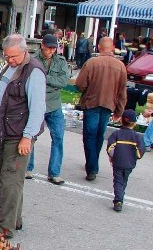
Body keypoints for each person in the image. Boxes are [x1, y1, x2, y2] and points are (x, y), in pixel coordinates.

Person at [0, 35, 46, 239]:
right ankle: (12, 218)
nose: (9, 60)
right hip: (9, 132)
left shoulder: (34, 71)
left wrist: (27, 137)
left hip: (19, 134)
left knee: (11, 179)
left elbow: (38, 109)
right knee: (10, 178)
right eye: (6, 56)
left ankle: (5, 227)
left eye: (13, 56)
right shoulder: (12, 66)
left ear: (24, 51)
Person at [75, 37, 127, 181]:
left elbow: (80, 84)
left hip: (91, 103)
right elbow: (123, 91)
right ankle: (93, 163)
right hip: (108, 104)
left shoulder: (92, 62)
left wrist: (88, 90)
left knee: (89, 136)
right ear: (113, 47)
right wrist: (119, 111)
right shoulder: (120, 66)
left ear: (98, 47)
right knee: (99, 136)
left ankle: (92, 167)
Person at [26, 34, 69, 185]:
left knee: (58, 138)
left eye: (54, 48)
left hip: (54, 105)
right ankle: (28, 168)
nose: (51, 50)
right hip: (37, 103)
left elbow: (63, 81)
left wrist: (44, 78)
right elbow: (30, 79)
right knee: (31, 136)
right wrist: (48, 80)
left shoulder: (61, 61)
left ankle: (55, 173)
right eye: (49, 47)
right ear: (42, 45)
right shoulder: (33, 59)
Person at [106, 109, 145, 212]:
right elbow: (140, 152)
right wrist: (134, 157)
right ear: (135, 123)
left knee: (118, 180)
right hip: (129, 164)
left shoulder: (116, 134)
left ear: (121, 121)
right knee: (124, 179)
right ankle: (120, 195)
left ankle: (118, 200)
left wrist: (112, 157)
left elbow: (110, 148)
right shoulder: (136, 136)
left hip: (117, 162)